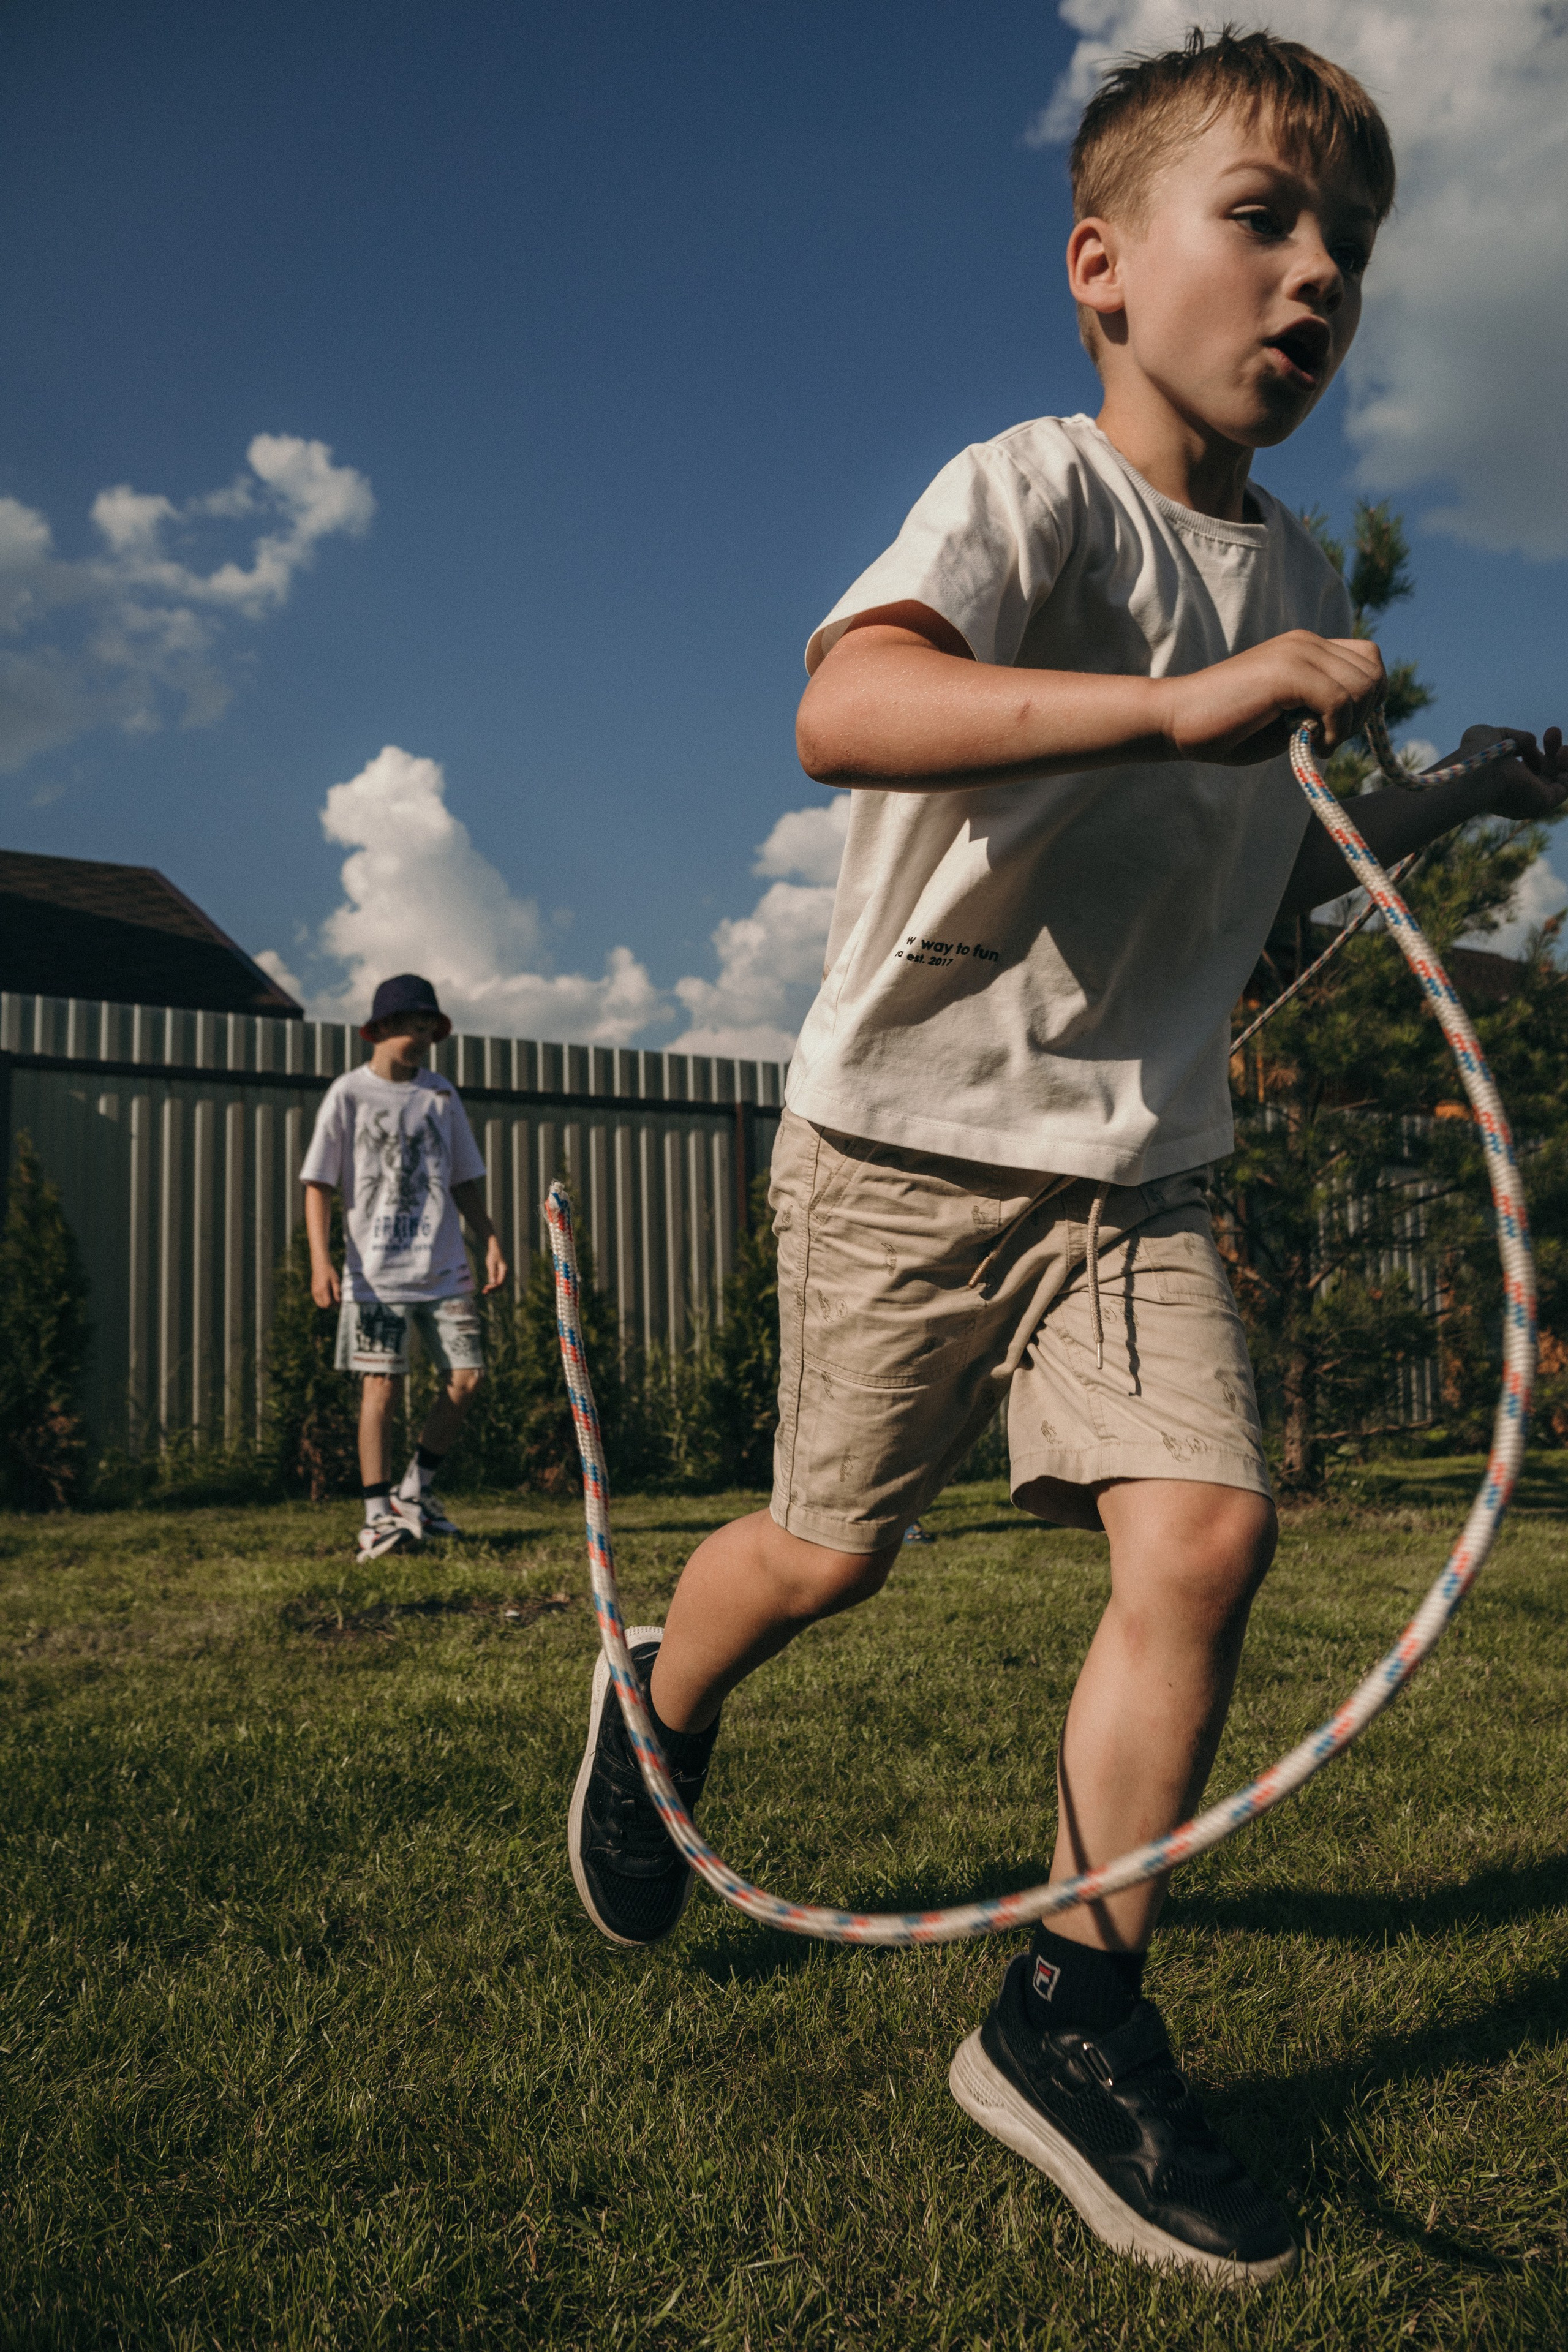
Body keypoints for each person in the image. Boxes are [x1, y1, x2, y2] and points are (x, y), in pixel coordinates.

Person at [567, 28, 1567, 2282]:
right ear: (1098, 267)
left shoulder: (1293, 560)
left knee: (1204, 1532)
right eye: (1262, 220)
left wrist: (1451, 791)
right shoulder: (1028, 494)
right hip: (902, 1147)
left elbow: (1269, 890)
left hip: (1131, 1161)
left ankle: (1066, 2010)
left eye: (1350, 249)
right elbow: (846, 704)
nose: (1313, 278)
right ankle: (657, 1692)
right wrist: (1166, 697)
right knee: (827, 1559)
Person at [301, 973, 507, 1559]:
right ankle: (376, 1518)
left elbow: (465, 1180)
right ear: (383, 1027)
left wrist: (489, 1239)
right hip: (374, 1275)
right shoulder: (349, 1094)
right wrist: (321, 1262)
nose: (422, 1037)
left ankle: (415, 1493)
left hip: (444, 1270)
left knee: (466, 1379)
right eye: (413, 1025)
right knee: (381, 1389)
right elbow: (316, 1185)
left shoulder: (441, 1095)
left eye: (429, 1027)